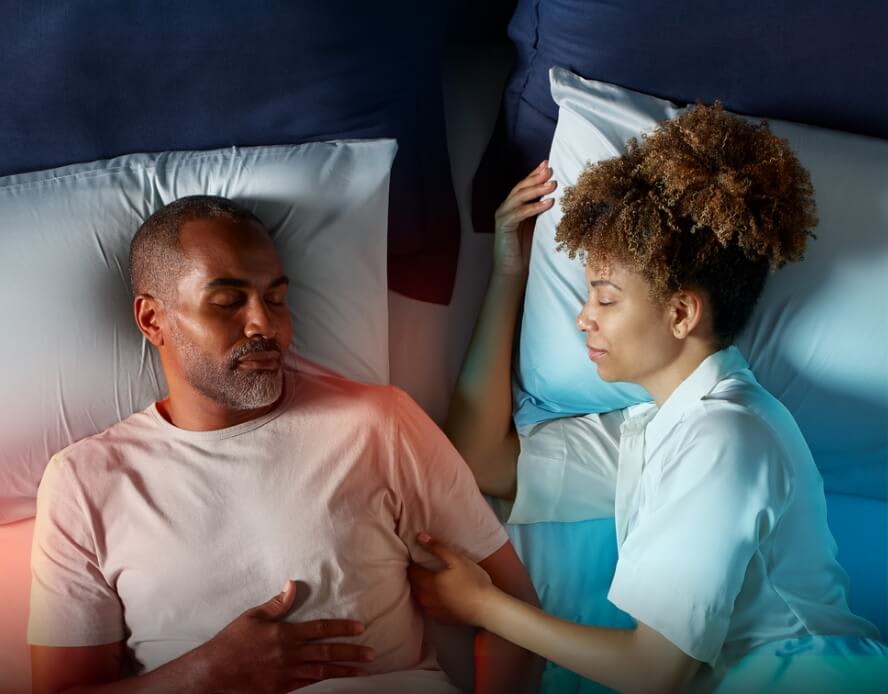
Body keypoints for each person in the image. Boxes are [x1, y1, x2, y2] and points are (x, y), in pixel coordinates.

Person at [410, 104, 884, 692]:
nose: (583, 319)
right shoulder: (659, 431)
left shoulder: (726, 437)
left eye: (606, 298)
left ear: (681, 313)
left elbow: (652, 670)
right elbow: (477, 458)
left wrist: (484, 606)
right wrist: (510, 270)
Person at [27, 196, 542, 694]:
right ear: (151, 320)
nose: (265, 325)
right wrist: (206, 675)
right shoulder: (84, 482)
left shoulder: (378, 423)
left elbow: (514, 608)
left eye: (275, 298)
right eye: (228, 302)